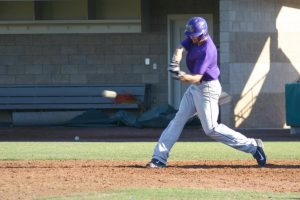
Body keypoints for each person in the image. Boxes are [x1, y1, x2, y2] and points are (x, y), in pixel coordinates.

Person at [146, 17, 267, 168]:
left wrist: (181, 76)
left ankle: (253, 147)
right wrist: (174, 63)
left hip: (207, 88)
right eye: (190, 35)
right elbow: (179, 49)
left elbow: (196, 77)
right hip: (195, 88)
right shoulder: (193, 39)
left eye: (194, 35)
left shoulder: (208, 50)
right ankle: (159, 158)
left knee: (211, 129)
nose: (191, 37)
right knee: (177, 120)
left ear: (203, 33)